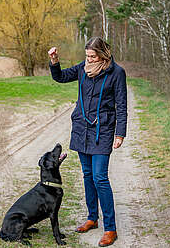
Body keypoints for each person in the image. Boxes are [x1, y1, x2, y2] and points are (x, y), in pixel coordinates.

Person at [48, 37, 127, 247]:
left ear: (103, 54)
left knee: (100, 177)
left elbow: (121, 105)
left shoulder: (116, 73)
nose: (89, 60)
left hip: (103, 130)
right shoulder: (83, 69)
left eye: (93, 56)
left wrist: (120, 134)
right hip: (82, 129)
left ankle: (110, 229)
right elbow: (61, 77)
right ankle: (92, 218)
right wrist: (55, 61)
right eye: (87, 56)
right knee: (87, 175)